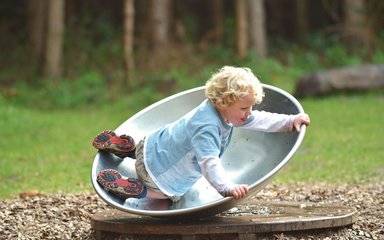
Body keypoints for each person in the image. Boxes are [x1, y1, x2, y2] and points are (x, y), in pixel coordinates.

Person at [92, 66, 310, 202]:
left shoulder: (218, 108)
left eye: (250, 107)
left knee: (152, 149)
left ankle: (129, 149)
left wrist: (290, 121)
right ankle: (134, 189)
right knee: (170, 195)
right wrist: (226, 187)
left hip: (150, 146)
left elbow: (259, 119)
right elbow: (209, 162)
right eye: (244, 109)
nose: (249, 113)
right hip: (157, 174)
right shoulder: (208, 128)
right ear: (222, 102)